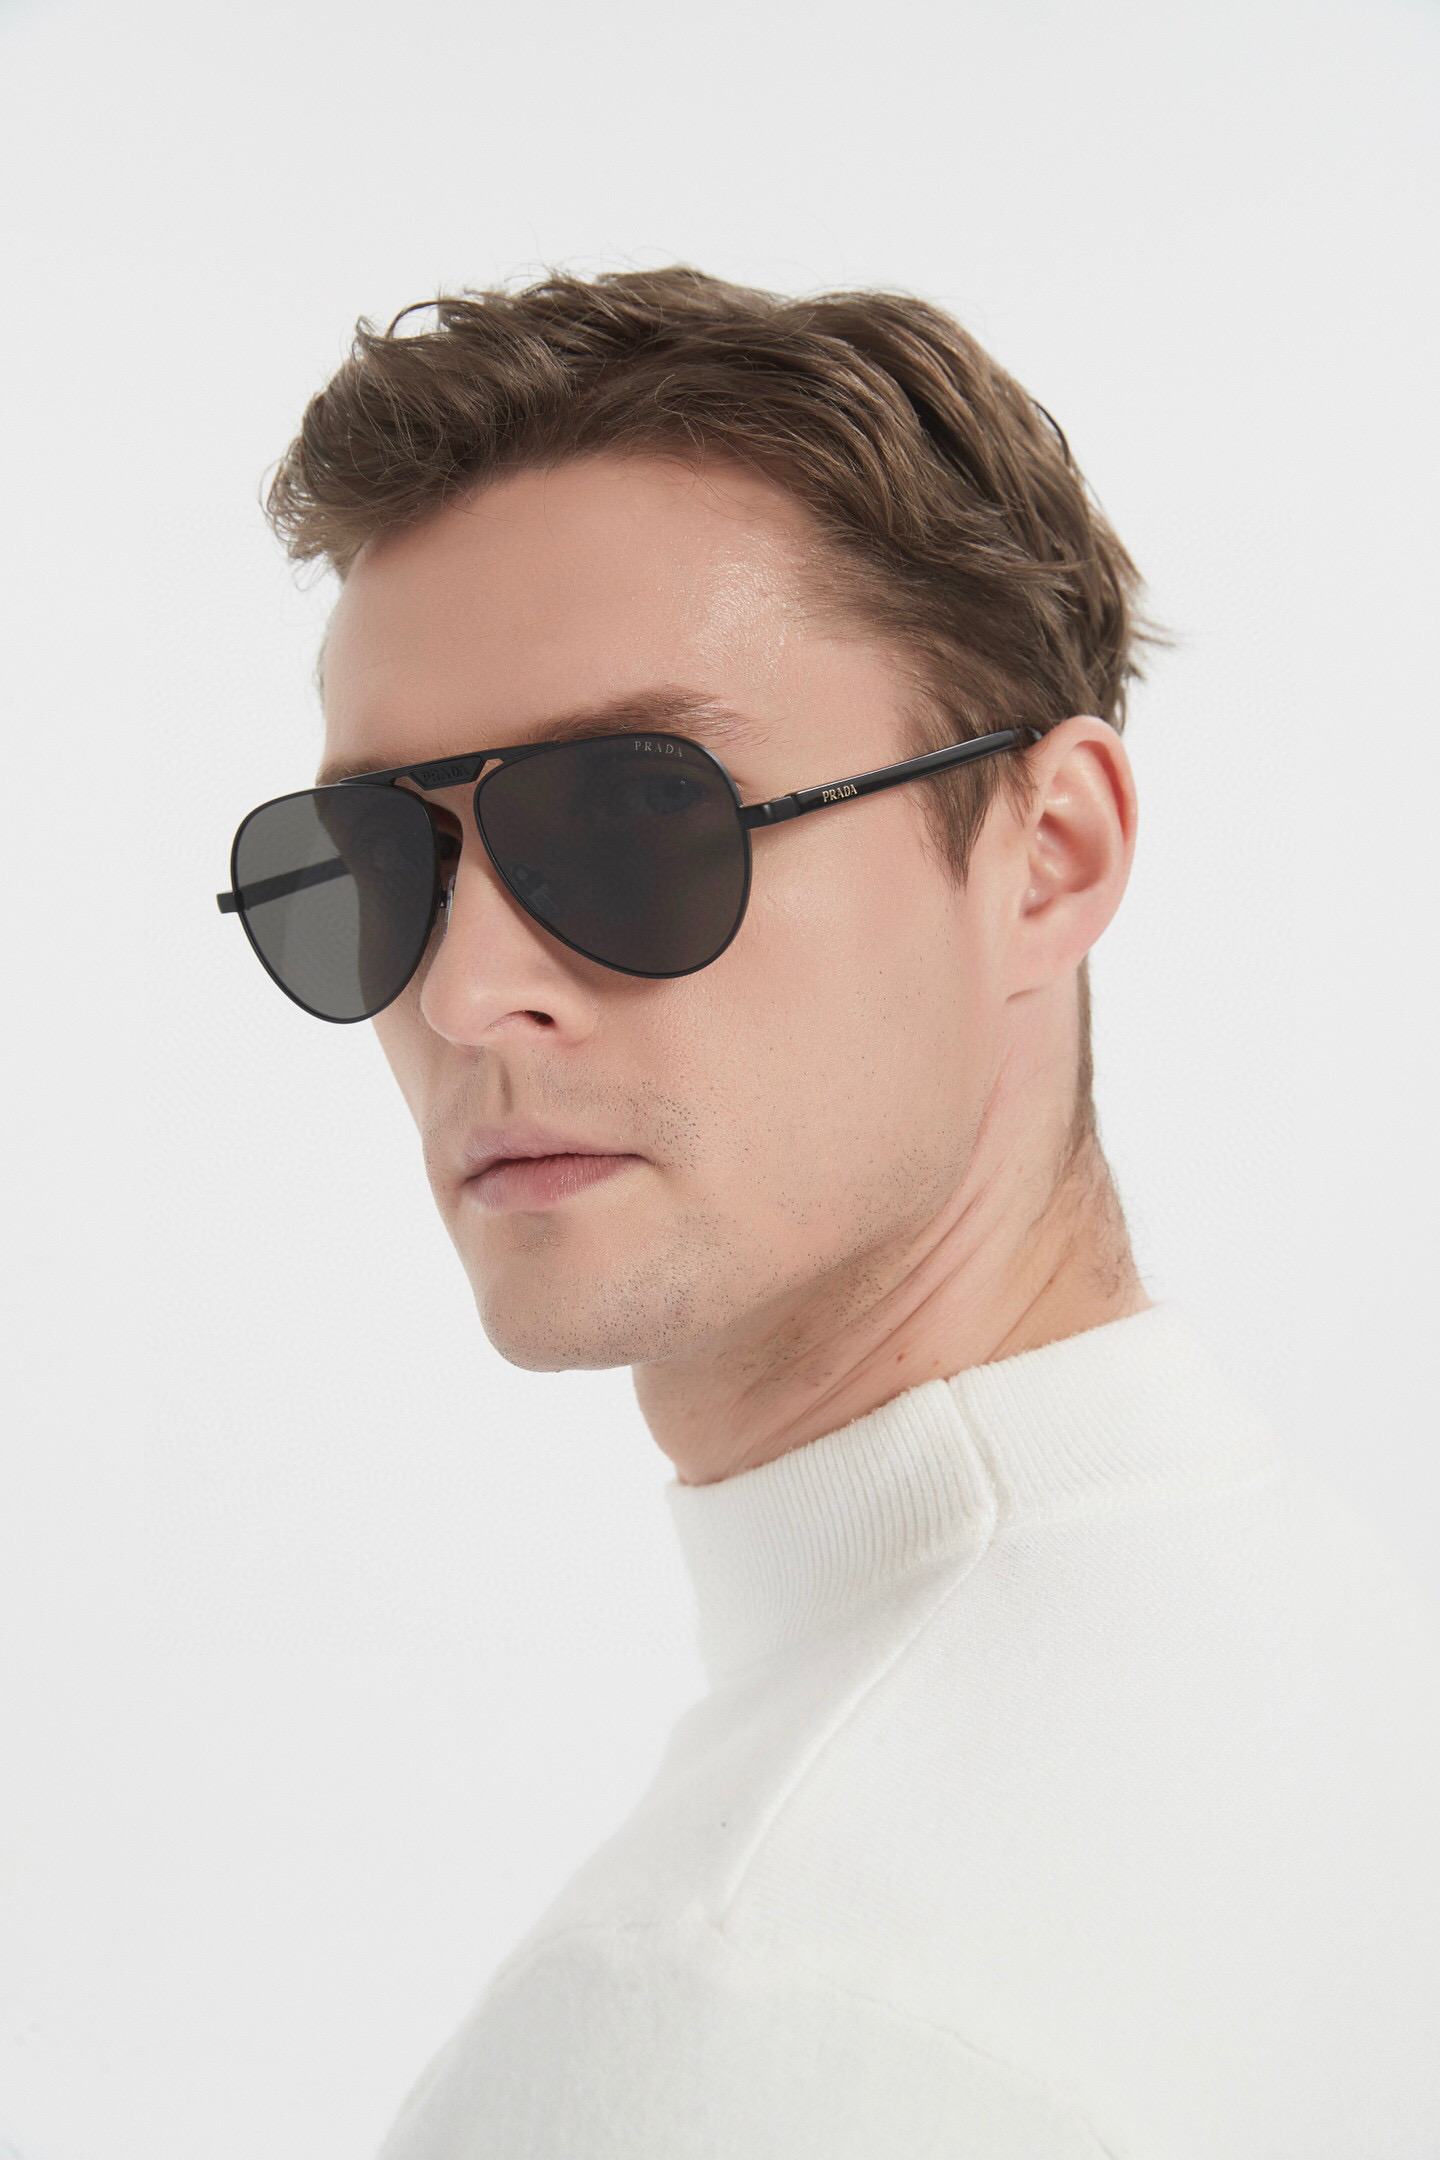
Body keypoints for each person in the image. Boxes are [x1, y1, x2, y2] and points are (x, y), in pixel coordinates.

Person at [219, 268, 1440, 2157]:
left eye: (635, 819)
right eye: (379, 862)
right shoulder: (1349, 1663)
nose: (464, 995)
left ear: (1049, 856)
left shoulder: (735, 2005)